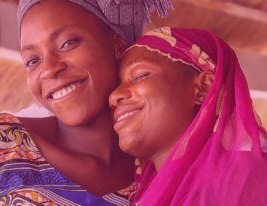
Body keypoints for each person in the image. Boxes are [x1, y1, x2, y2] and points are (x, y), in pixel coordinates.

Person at [0, 0, 173, 205]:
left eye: (67, 43)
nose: (48, 69)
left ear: (116, 43)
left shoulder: (162, 177)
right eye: (33, 61)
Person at [109, 27, 267, 205]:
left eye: (140, 75)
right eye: (116, 85)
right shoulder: (141, 192)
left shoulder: (250, 178)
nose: (114, 96)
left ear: (204, 88)